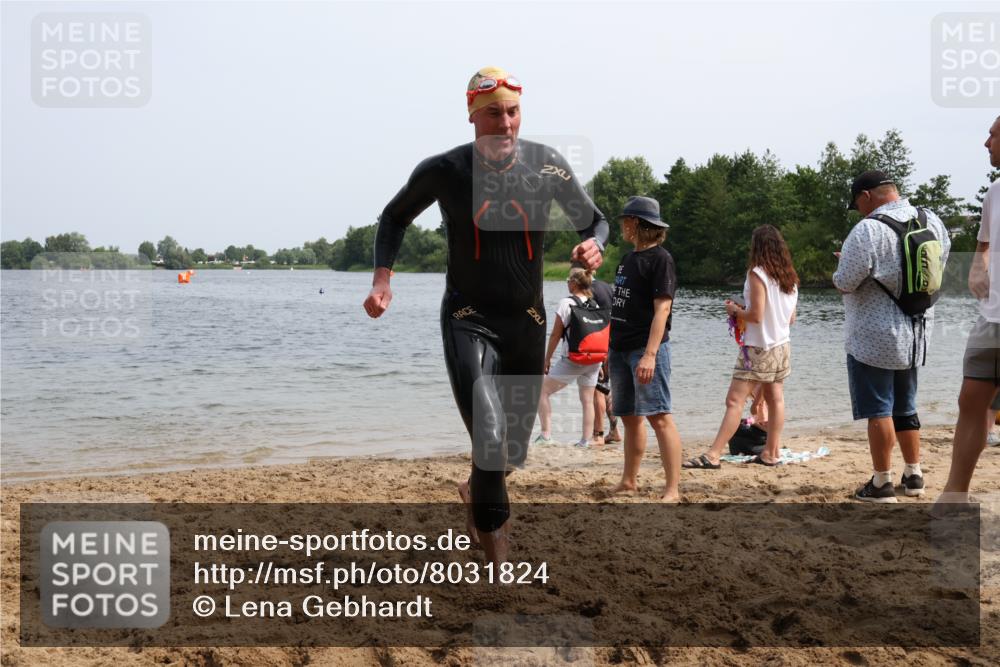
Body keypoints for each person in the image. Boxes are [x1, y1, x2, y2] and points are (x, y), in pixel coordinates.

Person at [364, 67, 608, 564]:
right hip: (468, 318)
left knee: (509, 452)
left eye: (513, 111)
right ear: (473, 115)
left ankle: (475, 490)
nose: (506, 123)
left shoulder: (547, 166)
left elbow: (596, 220)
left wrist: (595, 244)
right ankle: (498, 550)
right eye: (493, 112)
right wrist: (382, 277)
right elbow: (394, 216)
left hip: (528, 323)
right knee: (491, 437)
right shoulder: (447, 170)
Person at [833, 170, 950, 503]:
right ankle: (914, 475)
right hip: (916, 333)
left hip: (874, 337)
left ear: (867, 196)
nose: (858, 210)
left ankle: (882, 483)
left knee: (878, 409)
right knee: (906, 405)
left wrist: (839, 268)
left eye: (857, 203)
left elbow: (845, 282)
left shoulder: (868, 229)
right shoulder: (932, 221)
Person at [684, 225, 798, 468]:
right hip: (782, 345)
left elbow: (755, 315)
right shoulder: (790, 277)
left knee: (734, 401)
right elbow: (791, 318)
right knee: (776, 400)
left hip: (758, 347)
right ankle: (771, 452)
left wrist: (735, 310)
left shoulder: (757, 273)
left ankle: (713, 455)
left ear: (756, 247)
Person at [938, 115, 1000, 502]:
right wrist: (978, 268)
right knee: (970, 401)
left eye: (993, 134)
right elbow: (983, 245)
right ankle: (954, 495)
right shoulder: (994, 192)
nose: (986, 142)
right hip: (991, 318)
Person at [607, 196, 681, 501]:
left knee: (659, 416)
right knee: (629, 417)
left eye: (626, 220)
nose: (623, 225)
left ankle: (672, 488)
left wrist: (650, 354)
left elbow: (662, 310)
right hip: (620, 348)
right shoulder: (628, 259)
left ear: (636, 223)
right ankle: (629, 481)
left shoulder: (661, 259)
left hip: (645, 350)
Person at [536, 267, 606, 447]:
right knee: (587, 400)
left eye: (568, 280)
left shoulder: (566, 303)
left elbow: (555, 335)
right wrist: (602, 362)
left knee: (540, 391)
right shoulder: (594, 304)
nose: (567, 283)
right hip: (594, 359)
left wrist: (547, 359)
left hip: (573, 359)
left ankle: (546, 435)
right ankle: (585, 440)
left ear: (574, 284)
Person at [590, 276, 621, 444]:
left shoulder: (589, 291)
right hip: (611, 341)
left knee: (598, 390)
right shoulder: (606, 286)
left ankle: (598, 434)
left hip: (599, 343)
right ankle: (614, 431)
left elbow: (586, 320)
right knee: (605, 389)